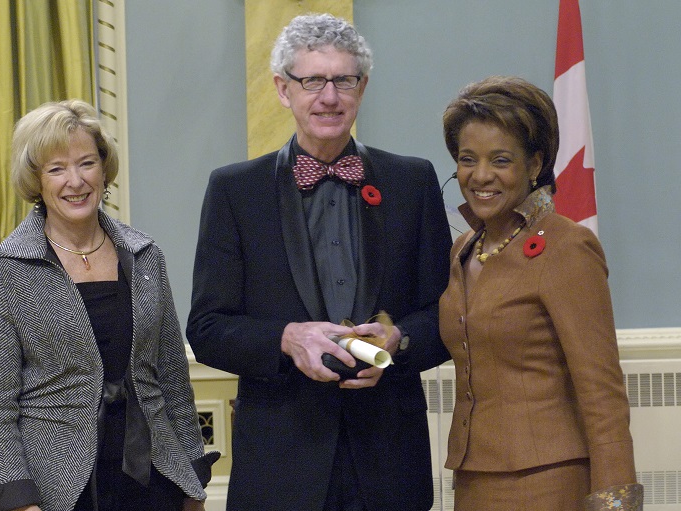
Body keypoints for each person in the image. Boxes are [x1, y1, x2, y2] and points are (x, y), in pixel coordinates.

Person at [186, 13, 452, 511]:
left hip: (390, 463)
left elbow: (447, 317)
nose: (329, 97)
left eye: (343, 80)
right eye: (312, 80)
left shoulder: (412, 183)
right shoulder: (234, 191)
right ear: (283, 89)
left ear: (362, 87)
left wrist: (400, 341)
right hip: (280, 467)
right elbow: (206, 328)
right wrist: (287, 339)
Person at [0, 99, 218, 511]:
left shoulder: (145, 256)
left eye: (86, 163)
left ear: (104, 169)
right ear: (37, 180)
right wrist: (19, 501)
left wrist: (192, 479)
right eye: (56, 168)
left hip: (154, 478)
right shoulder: (6, 270)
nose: (75, 180)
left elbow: (173, 380)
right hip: (58, 488)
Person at [439, 75, 643, 510]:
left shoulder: (566, 247)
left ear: (534, 165)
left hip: (548, 480)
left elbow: (602, 391)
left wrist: (615, 499)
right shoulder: (464, 248)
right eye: (467, 159)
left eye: (500, 160)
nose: (480, 176)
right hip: (473, 478)